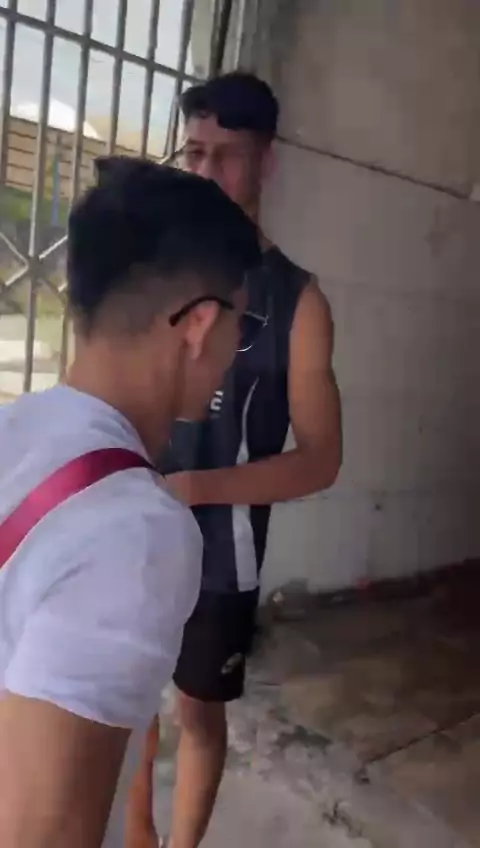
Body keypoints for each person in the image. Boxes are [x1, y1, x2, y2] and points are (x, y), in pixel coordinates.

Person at [0, 156, 261, 848]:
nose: (236, 350)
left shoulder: (14, 429)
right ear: (199, 325)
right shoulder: (135, 533)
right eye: (240, 325)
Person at [129, 73, 343, 848]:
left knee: (197, 710)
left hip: (225, 554)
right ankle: (138, 832)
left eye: (228, 156)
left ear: (266, 162)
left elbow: (321, 460)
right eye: (195, 152)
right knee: (132, 697)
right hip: (137, 531)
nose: (207, 172)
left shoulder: (297, 302)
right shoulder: (155, 272)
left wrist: (197, 488)